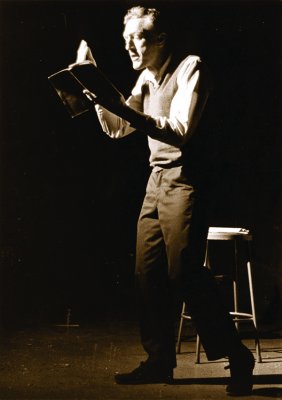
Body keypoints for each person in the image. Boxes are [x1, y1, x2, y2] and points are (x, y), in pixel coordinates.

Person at [75, 6, 255, 396]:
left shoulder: (191, 68)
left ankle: (236, 356)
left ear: (159, 39)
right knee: (147, 272)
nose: (128, 46)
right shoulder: (145, 80)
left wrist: (121, 105)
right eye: (124, 39)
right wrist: (98, 98)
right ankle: (159, 360)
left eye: (136, 37)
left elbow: (177, 131)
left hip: (185, 181)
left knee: (184, 273)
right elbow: (119, 129)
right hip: (156, 182)